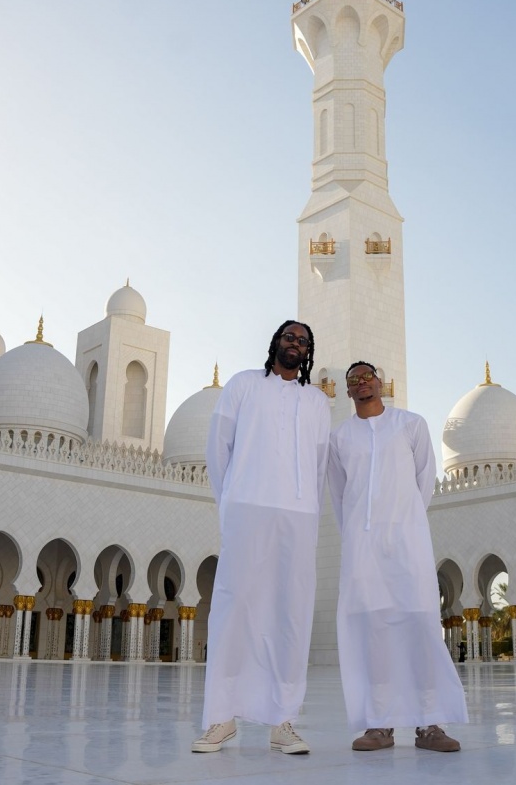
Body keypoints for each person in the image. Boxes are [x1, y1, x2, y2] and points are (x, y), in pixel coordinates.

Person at [191, 321, 331, 755]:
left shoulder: (316, 402)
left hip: (299, 515)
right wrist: (230, 502)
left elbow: (320, 462)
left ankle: (282, 720)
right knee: (235, 606)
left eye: (303, 341)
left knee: (291, 611)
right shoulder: (243, 386)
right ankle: (221, 718)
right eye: (289, 337)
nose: (295, 345)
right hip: (247, 509)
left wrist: (308, 507)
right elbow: (219, 450)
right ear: (275, 343)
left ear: (308, 352)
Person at [328, 362, 469, 752]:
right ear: (347, 391)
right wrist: (360, 532)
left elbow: (424, 481)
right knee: (372, 629)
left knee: (420, 623)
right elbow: (340, 495)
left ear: (381, 383)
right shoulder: (340, 437)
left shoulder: (411, 425)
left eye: (367, 377)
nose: (362, 384)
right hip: (363, 546)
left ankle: (430, 724)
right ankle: (379, 724)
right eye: (353, 380)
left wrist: (403, 523)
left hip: (408, 541)